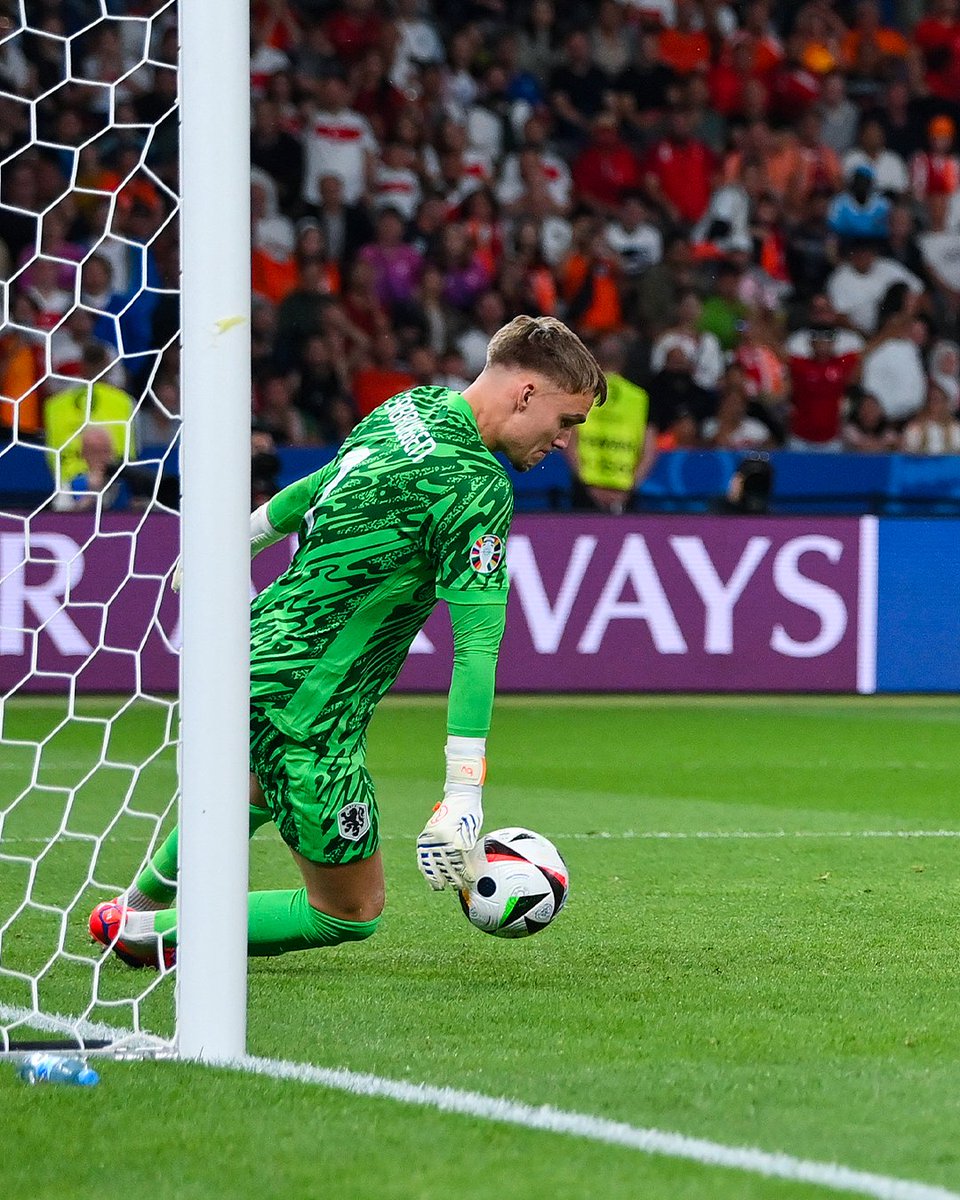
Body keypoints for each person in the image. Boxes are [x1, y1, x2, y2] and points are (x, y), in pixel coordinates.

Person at [89, 316, 606, 967]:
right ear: (526, 393)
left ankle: (138, 904)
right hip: (310, 707)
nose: (565, 440)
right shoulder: (477, 486)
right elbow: (476, 646)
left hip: (248, 654)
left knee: (251, 787)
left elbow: (323, 481)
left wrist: (238, 538)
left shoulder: (409, 407)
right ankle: (143, 934)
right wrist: (463, 793)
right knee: (348, 911)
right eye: (568, 420)